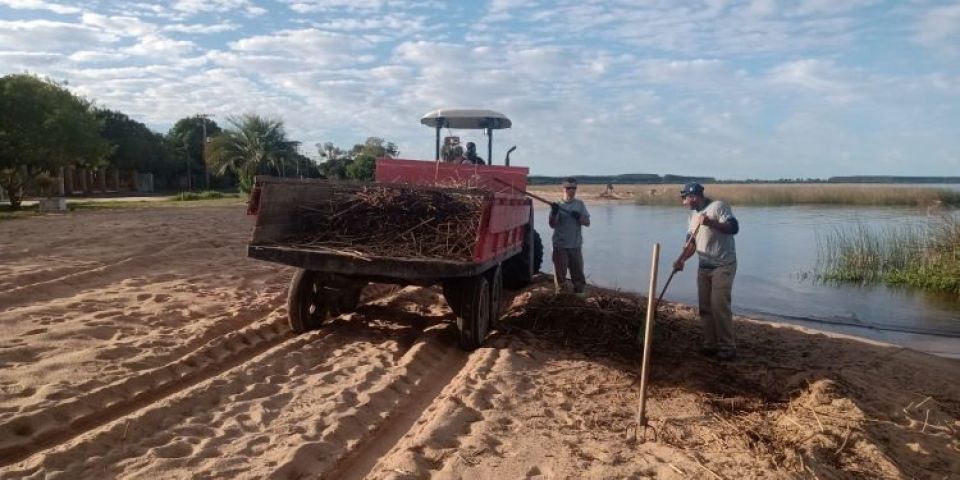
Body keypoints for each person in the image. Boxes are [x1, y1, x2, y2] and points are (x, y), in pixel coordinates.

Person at [672, 182, 740, 361]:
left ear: (693, 196)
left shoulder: (718, 206)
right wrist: (681, 260)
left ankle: (727, 346)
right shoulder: (692, 216)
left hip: (723, 265)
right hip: (704, 267)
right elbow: (691, 244)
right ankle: (711, 343)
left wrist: (711, 223)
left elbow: (734, 228)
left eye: (685, 198)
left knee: (719, 306)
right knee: (705, 308)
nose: (684, 202)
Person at [549, 177, 590, 296]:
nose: (571, 191)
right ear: (563, 189)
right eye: (568, 188)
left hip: (575, 246)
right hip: (560, 246)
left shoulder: (580, 204)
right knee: (560, 277)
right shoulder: (557, 204)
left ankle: (580, 299)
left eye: (574, 188)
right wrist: (555, 213)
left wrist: (579, 217)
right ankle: (561, 299)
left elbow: (587, 223)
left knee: (578, 277)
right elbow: (552, 224)